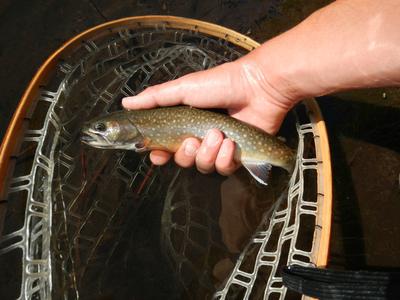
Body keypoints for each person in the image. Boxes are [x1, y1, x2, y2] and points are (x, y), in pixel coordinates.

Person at [122, 0, 400, 176]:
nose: (99, 132)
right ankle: (286, 161)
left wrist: (262, 80)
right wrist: (262, 81)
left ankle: (289, 162)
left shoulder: (143, 129)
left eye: (102, 129)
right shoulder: (142, 130)